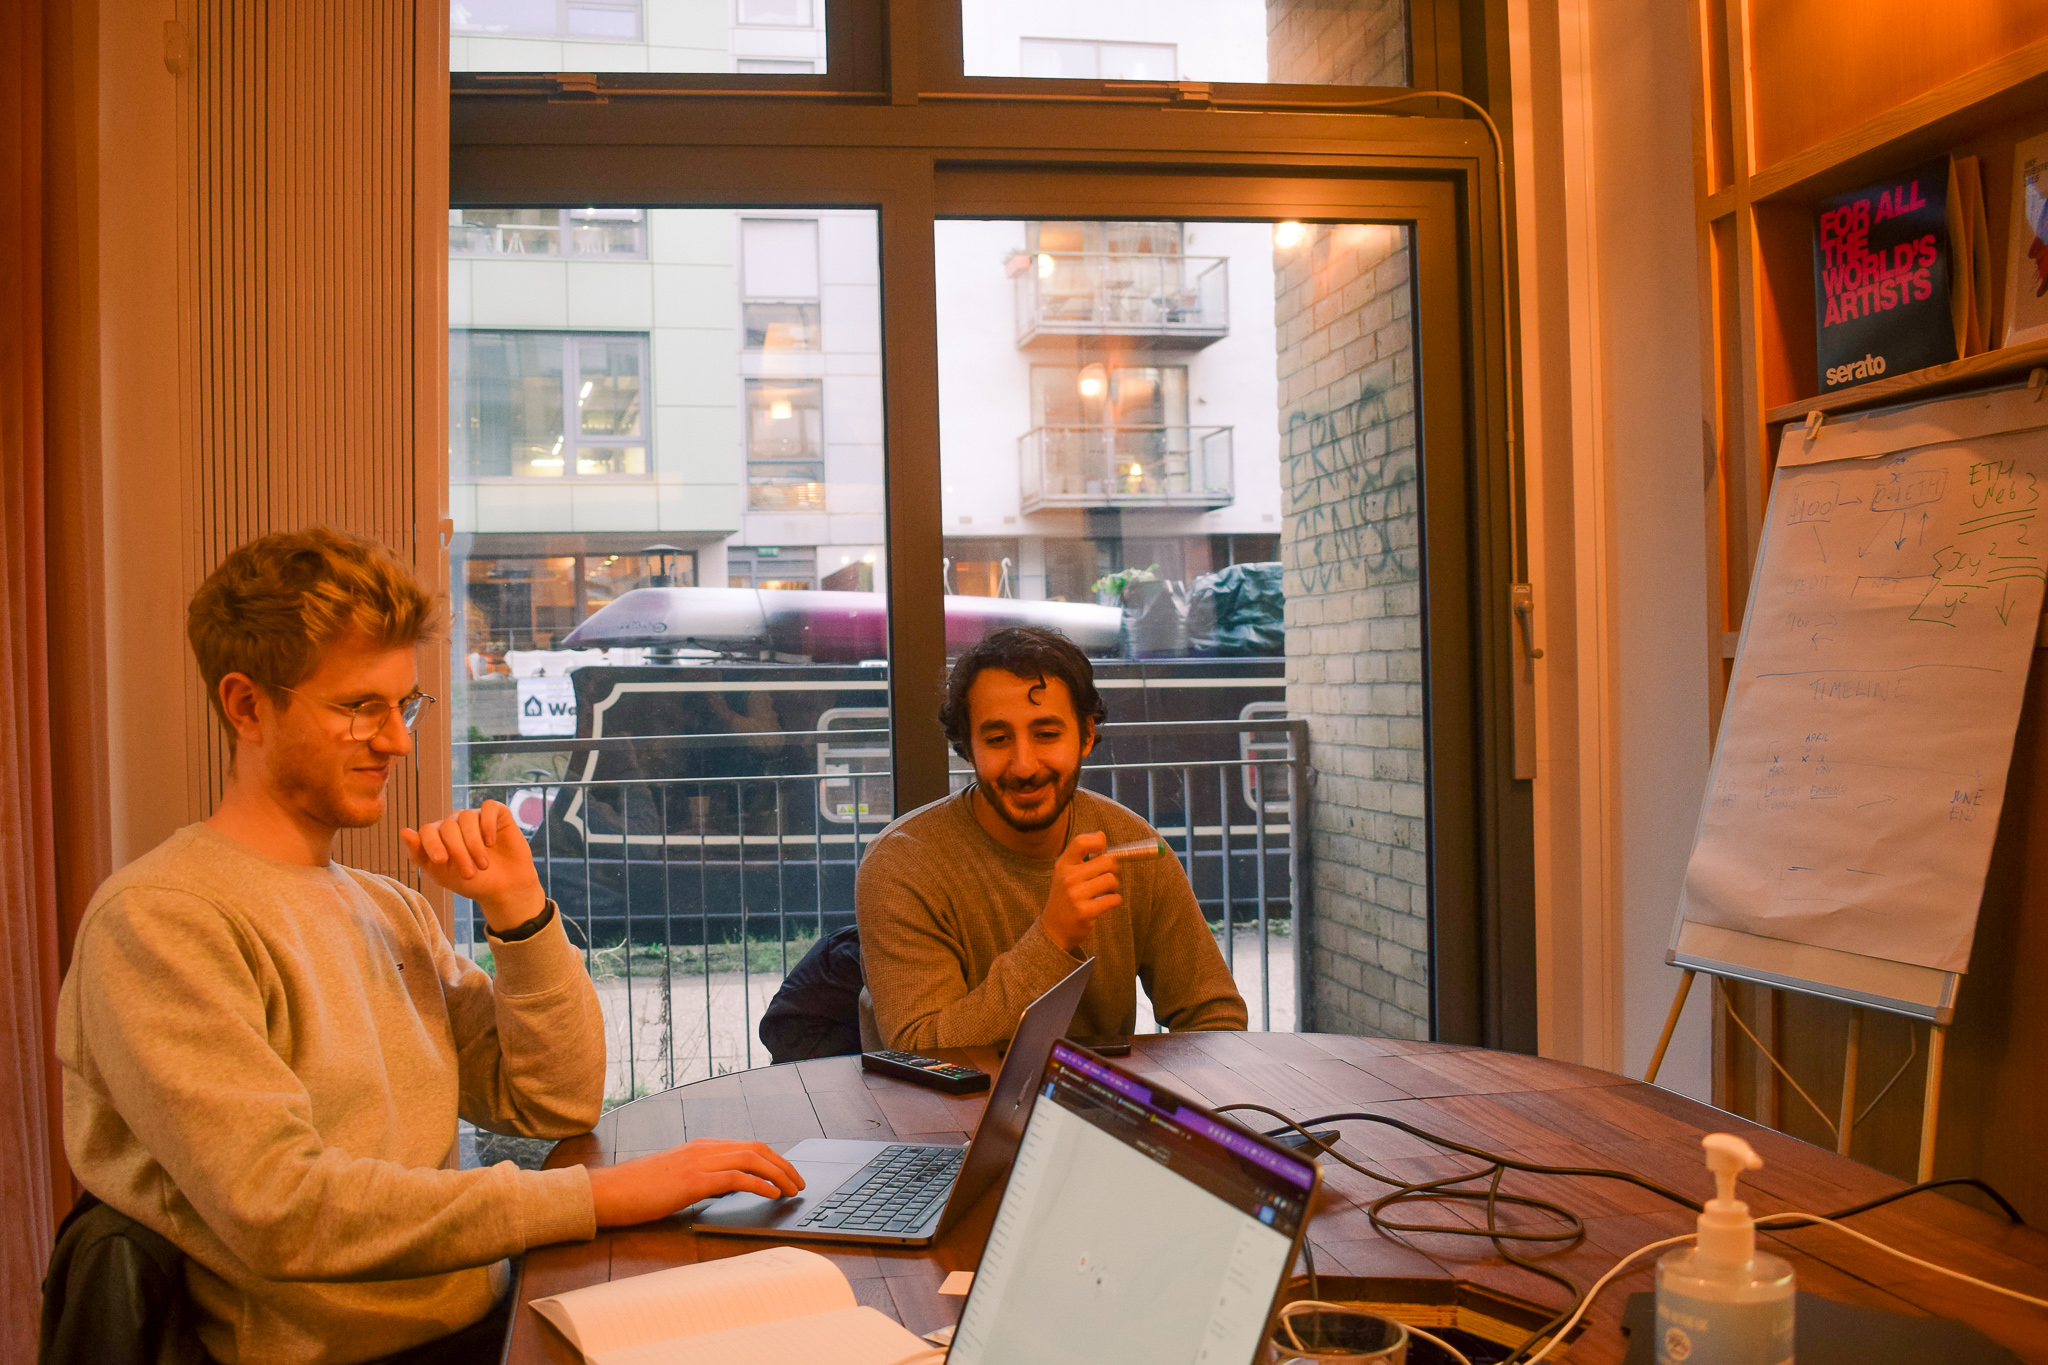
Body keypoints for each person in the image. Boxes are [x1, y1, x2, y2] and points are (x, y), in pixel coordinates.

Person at [55, 529, 803, 1365]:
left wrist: (520, 915)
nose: (397, 741)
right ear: (246, 704)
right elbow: (283, 1209)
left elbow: (551, 1104)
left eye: (403, 705)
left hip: (484, 1320)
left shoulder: (388, 908)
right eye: (358, 707)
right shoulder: (161, 920)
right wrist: (598, 1196)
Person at [856, 626, 1247, 1050]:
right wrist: (1054, 935)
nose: (1024, 765)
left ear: (1086, 736)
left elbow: (1214, 1015)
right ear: (967, 748)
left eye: (1046, 734)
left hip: (1097, 1108)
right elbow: (921, 1051)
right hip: (944, 1116)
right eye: (998, 738)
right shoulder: (901, 866)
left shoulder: (1132, 845)